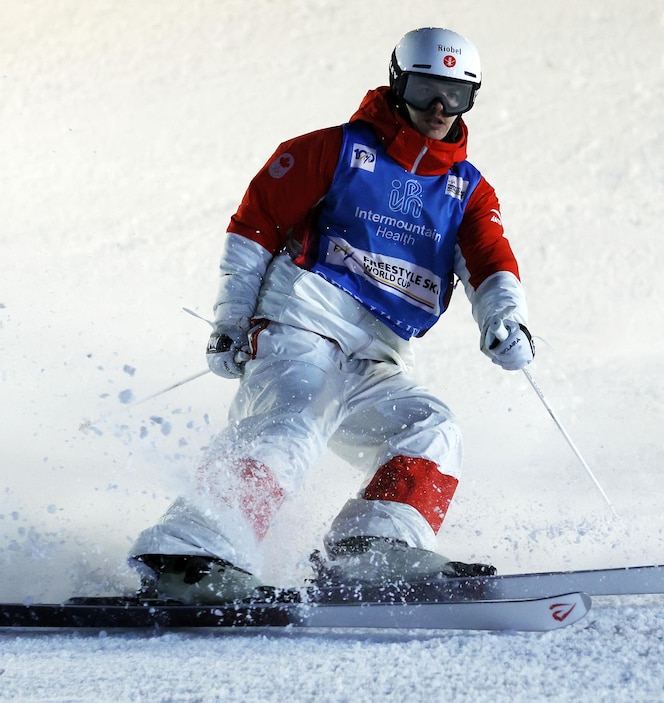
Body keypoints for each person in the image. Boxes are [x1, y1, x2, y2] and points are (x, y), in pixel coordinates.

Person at [129, 27, 535, 604]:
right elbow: (253, 229)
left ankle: (372, 550)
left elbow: (490, 263)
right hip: (302, 326)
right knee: (295, 418)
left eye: (456, 95)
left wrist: (505, 320)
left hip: (378, 355)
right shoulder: (333, 150)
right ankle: (189, 557)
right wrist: (231, 321)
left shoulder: (465, 190)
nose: (439, 108)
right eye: (424, 90)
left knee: (431, 427)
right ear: (397, 84)